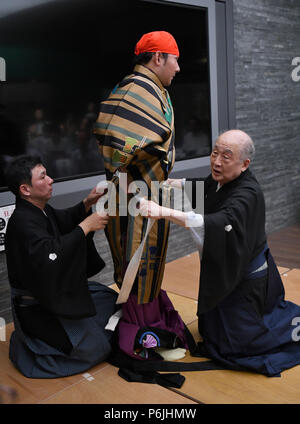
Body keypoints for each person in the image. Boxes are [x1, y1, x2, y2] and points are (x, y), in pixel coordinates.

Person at [139, 129, 300, 377]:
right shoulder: (220, 180)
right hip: (226, 269)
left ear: (244, 164)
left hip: (245, 277)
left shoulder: (248, 194)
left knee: (240, 345)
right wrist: (171, 183)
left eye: (226, 156)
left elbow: (217, 222)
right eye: (215, 152)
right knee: (214, 329)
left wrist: (162, 212)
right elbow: (202, 187)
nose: (216, 161)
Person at [94, 31, 188, 360]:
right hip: (133, 197)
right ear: (158, 57)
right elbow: (111, 141)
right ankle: (142, 332)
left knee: (147, 268)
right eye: (174, 59)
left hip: (145, 193)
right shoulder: (135, 90)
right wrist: (138, 170)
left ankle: (150, 320)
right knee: (137, 266)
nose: (178, 67)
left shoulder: (150, 88)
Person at [4, 155, 119, 378]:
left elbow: (64, 221)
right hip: (37, 306)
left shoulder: (39, 209)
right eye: (43, 176)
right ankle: (33, 344)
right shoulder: (22, 222)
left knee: (109, 300)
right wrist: (85, 227)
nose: (51, 180)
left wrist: (87, 203)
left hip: (51, 293)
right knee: (95, 347)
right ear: (25, 189)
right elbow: (49, 256)